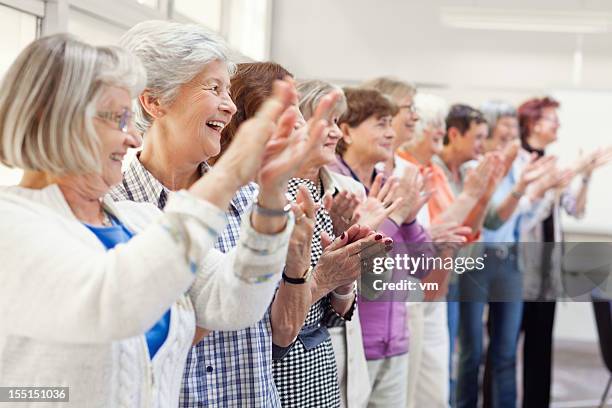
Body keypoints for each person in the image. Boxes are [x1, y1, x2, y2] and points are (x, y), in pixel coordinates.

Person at [0, 33, 306, 406]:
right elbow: (113, 301)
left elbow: (235, 302)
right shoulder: (13, 221)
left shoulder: (138, 219)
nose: (132, 137)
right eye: (119, 120)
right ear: (59, 120)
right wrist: (228, 175)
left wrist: (271, 198)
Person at [328, 87, 431, 407]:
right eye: (380, 124)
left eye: (391, 124)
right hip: (354, 343)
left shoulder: (388, 184)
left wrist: (410, 220)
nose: (391, 133)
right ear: (346, 131)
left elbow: (424, 266)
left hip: (395, 341)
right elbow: (357, 268)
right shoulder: (336, 187)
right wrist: (396, 217)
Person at [456, 101, 552, 408]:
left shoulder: (518, 168)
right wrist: (522, 190)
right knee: (471, 350)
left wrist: (534, 192)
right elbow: (491, 216)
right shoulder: (475, 166)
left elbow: (521, 219)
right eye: (506, 125)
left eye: (514, 125)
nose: (513, 131)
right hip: (476, 259)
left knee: (507, 352)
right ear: (492, 127)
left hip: (510, 260)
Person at [516, 96, 609, 408]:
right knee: (504, 349)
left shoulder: (554, 163)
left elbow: (575, 209)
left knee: (541, 348)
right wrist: (570, 173)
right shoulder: (516, 162)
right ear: (532, 123)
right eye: (552, 120)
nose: (558, 126)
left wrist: (585, 176)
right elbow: (527, 211)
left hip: (547, 271)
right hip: (518, 270)